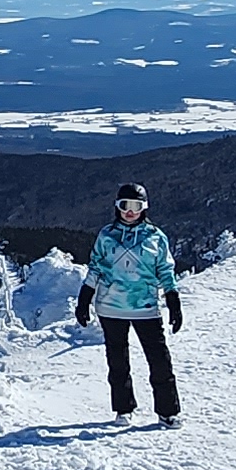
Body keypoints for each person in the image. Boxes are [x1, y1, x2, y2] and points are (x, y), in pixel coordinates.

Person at [74, 183, 185, 427]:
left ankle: (168, 411)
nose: (130, 212)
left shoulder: (155, 237)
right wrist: (85, 297)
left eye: (136, 206)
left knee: (159, 359)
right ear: (117, 207)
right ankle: (123, 409)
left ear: (144, 207)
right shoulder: (106, 235)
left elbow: (165, 270)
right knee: (117, 361)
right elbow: (96, 267)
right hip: (110, 306)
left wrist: (173, 300)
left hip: (145, 306)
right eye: (125, 206)